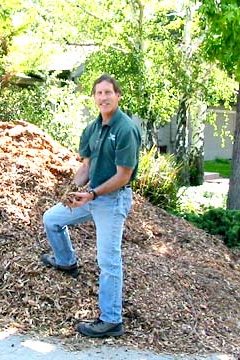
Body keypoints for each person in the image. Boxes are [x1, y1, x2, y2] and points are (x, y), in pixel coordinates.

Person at [41, 74, 141, 338]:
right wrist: (72, 189)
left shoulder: (125, 129)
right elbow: (86, 167)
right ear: (94, 97)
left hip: (112, 199)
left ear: (118, 96)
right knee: (51, 219)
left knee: (108, 260)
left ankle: (111, 320)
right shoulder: (92, 130)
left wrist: (92, 194)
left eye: (108, 92)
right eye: (99, 93)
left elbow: (123, 175)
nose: (103, 97)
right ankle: (66, 261)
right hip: (92, 196)